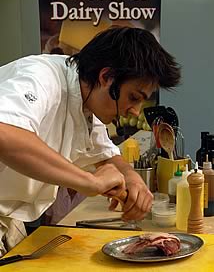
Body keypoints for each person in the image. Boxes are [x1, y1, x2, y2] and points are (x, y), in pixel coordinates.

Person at [0, 26, 181, 255]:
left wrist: (132, 178)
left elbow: (105, 153)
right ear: (106, 77)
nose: (135, 111)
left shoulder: (85, 101)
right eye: (133, 97)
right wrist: (88, 181)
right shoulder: (40, 77)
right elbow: (5, 132)